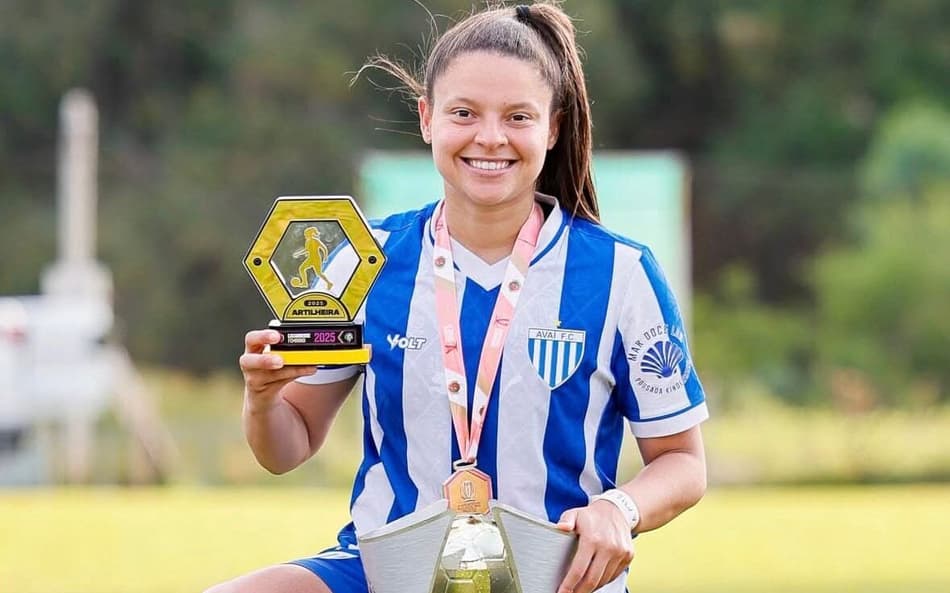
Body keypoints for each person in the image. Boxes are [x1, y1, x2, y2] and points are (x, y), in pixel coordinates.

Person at [208, 3, 707, 592]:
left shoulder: (622, 273)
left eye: (518, 116)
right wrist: (264, 400)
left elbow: (682, 462)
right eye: (464, 112)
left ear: (552, 126)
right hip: (389, 574)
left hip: (554, 580)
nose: (489, 138)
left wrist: (618, 510)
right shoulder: (364, 258)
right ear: (426, 118)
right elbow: (285, 447)